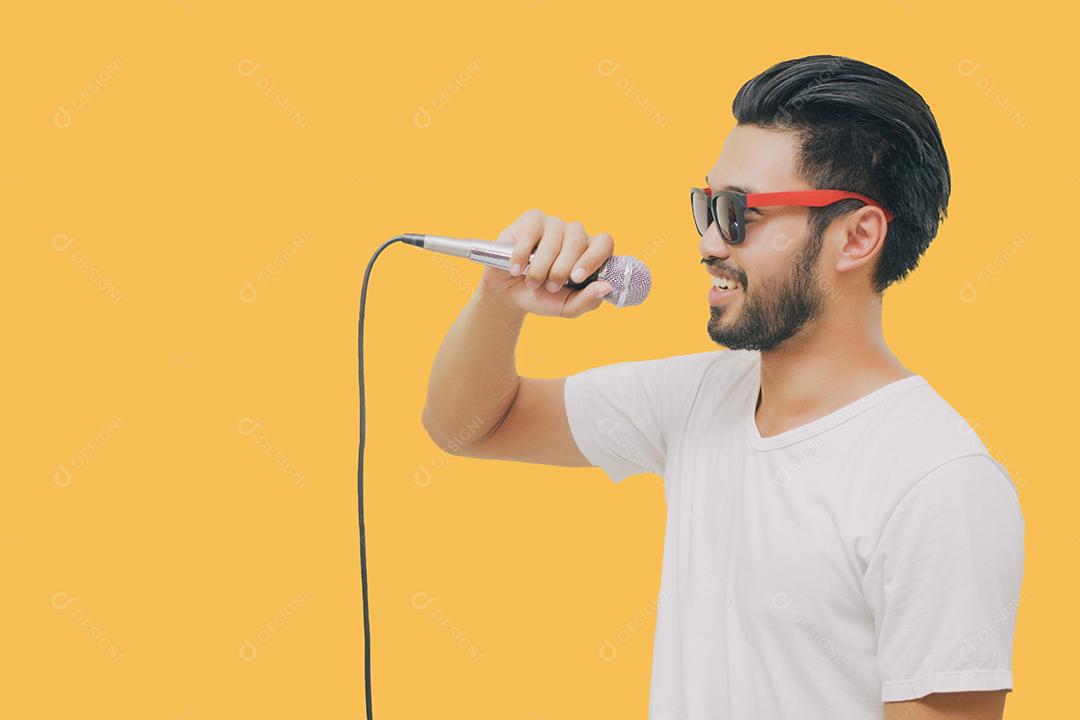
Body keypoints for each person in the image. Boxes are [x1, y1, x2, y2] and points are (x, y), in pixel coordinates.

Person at [421, 54, 1024, 720]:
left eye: (740, 214)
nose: (709, 243)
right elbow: (467, 426)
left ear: (856, 236)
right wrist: (499, 300)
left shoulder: (937, 482)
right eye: (707, 205)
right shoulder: (698, 400)